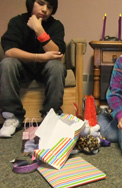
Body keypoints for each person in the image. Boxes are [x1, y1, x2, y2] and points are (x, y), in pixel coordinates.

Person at [0, 0, 66, 137]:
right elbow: (9, 51)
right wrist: (40, 57)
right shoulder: (17, 22)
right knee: (7, 64)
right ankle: (12, 117)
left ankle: (51, 117)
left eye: (49, 7)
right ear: (31, 3)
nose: (45, 10)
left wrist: (38, 29)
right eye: (41, 3)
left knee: (57, 66)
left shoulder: (56, 26)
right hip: (22, 68)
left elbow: (56, 54)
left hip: (45, 69)